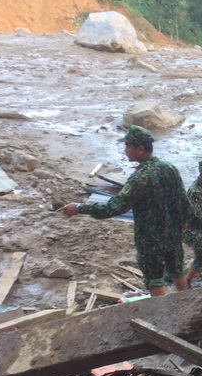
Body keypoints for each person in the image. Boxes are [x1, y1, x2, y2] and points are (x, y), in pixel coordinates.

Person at [59, 125, 192, 296]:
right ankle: (187, 302)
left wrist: (79, 208)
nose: (125, 150)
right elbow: (183, 200)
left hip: (150, 238)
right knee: (177, 270)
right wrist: (185, 223)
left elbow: (114, 207)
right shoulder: (169, 168)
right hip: (173, 232)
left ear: (140, 149)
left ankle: (164, 315)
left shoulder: (139, 178)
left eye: (128, 146)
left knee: (154, 279)